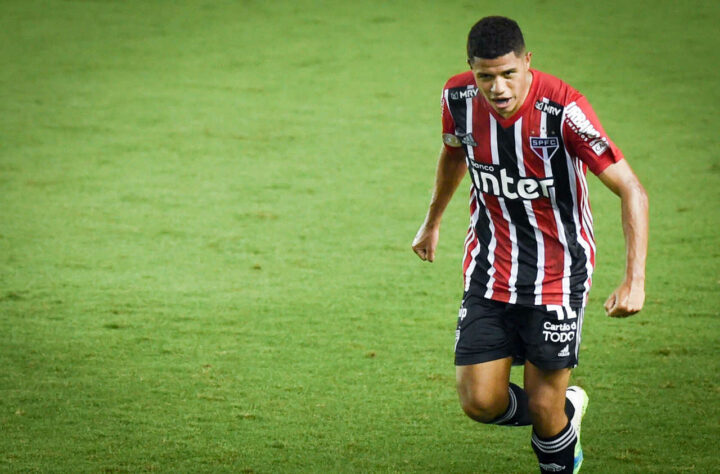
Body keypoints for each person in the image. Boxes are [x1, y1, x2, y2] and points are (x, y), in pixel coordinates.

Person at [411, 16, 648, 474]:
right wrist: (432, 221)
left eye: (507, 74)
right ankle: (565, 412)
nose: (497, 88)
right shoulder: (457, 98)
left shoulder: (563, 110)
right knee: (480, 401)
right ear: (471, 70)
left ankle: (558, 422)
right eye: (485, 76)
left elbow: (632, 189)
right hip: (489, 268)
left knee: (544, 410)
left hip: (557, 277)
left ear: (527, 63)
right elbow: (454, 153)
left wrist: (634, 279)